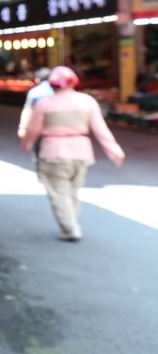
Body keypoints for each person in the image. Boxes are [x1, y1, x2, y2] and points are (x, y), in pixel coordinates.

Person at [21, 66, 125, 241]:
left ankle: (70, 229)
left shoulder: (45, 104)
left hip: (53, 152)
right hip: (81, 152)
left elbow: (33, 129)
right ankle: (71, 224)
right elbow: (101, 129)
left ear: (53, 84)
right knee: (73, 192)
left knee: (59, 192)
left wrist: (26, 143)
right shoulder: (87, 101)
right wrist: (114, 150)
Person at [16, 67, 53, 140]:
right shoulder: (57, 91)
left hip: (38, 126)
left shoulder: (34, 92)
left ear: (37, 79)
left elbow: (28, 110)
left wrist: (22, 127)